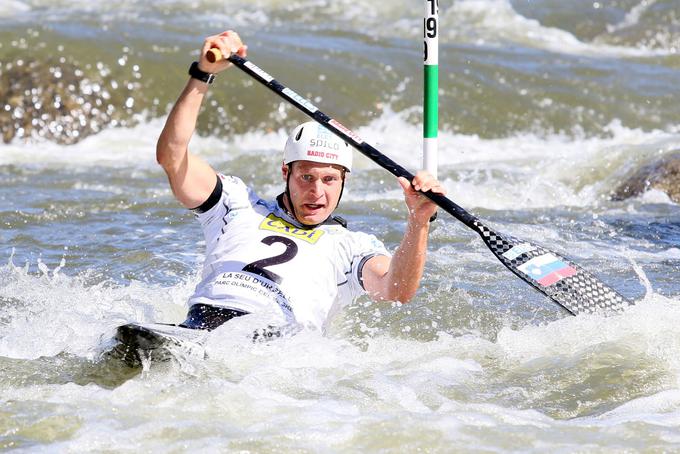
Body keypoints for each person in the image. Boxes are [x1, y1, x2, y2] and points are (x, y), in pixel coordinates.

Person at [156, 30, 446, 334]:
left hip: (275, 343)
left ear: (344, 181)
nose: (317, 191)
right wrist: (202, 74)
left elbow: (397, 290)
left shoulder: (351, 247)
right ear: (286, 173)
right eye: (306, 176)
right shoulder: (235, 203)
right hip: (199, 325)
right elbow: (172, 157)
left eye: (329, 179)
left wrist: (419, 220)